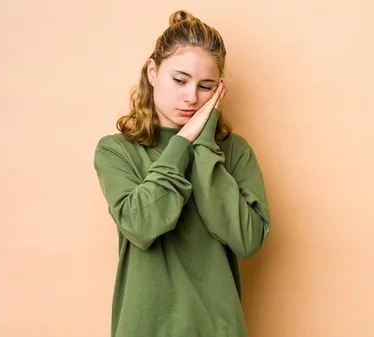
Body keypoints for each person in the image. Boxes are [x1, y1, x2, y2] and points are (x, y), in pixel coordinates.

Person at [93, 9, 271, 337]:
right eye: (179, 80)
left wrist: (203, 145)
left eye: (206, 86)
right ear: (152, 71)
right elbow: (142, 225)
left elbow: (247, 240)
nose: (191, 97)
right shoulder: (116, 151)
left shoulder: (234, 152)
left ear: (219, 90)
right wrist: (184, 140)